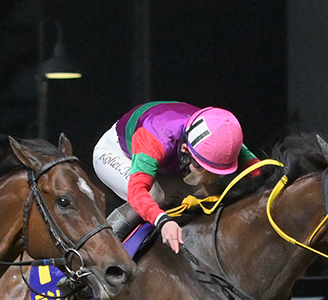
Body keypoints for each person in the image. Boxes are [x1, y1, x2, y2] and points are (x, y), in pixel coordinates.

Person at [92, 100, 257, 253]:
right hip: (116, 151)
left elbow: (253, 165)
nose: (207, 177)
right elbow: (137, 192)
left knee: (205, 192)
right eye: (201, 167)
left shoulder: (220, 135)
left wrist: (267, 177)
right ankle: (100, 249)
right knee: (154, 195)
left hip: (162, 152)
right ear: (185, 149)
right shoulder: (154, 140)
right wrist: (163, 221)